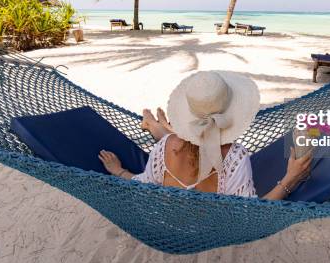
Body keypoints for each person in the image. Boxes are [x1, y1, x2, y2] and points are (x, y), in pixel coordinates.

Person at [98, 71, 311, 200]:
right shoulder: (235, 157)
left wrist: (119, 171)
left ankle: (155, 124)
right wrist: (290, 178)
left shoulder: (164, 147)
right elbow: (250, 213)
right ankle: (155, 124)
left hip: (167, 222)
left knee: (171, 139)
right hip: (209, 230)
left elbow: (145, 185)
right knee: (172, 138)